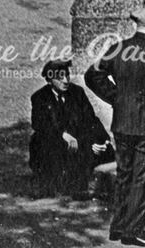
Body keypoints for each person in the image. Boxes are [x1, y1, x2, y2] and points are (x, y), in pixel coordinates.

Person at [85, 7, 145, 247]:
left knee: (124, 175)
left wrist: (116, 97)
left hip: (121, 122)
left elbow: (93, 75)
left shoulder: (117, 48)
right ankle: (139, 231)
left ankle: (118, 227)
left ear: (135, 24)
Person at [29, 58, 114, 199]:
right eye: (60, 77)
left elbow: (91, 119)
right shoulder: (40, 98)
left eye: (67, 75)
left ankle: (89, 183)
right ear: (49, 81)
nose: (65, 80)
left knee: (104, 150)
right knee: (44, 143)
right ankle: (51, 182)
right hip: (53, 144)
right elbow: (39, 125)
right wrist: (62, 134)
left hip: (77, 142)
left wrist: (101, 141)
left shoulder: (77, 93)